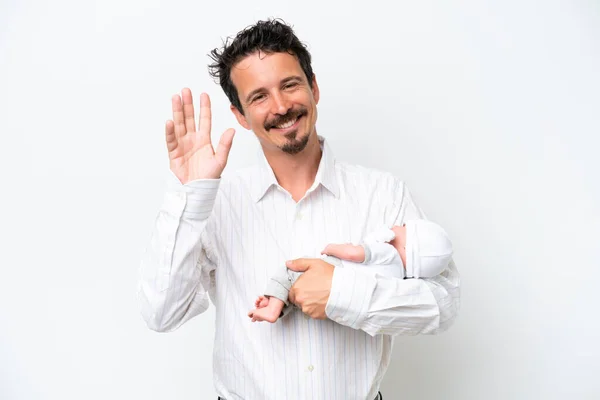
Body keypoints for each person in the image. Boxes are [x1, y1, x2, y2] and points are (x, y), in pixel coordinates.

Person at [138, 18, 460, 400]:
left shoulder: (383, 193)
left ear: (314, 87)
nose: (281, 106)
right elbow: (162, 314)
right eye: (258, 96)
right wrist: (190, 198)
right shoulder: (218, 203)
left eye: (289, 85)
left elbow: (442, 304)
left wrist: (343, 294)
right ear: (240, 115)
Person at [249, 219, 454, 323]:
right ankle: (276, 304)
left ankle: (273, 307)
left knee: (289, 271)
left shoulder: (387, 251)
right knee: (299, 294)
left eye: (403, 227)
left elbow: (355, 254)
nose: (397, 226)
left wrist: (332, 248)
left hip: (337, 269)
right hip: (340, 288)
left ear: (408, 247)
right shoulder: (399, 277)